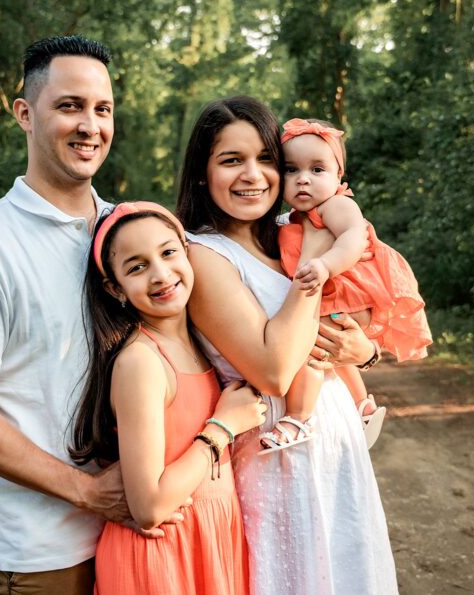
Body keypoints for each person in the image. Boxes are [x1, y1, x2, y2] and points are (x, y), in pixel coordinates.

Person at [0, 36, 179, 594]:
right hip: (44, 550)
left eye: (103, 109)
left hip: (144, 538)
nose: (91, 125)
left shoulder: (130, 235)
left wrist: (354, 344)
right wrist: (88, 492)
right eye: (70, 106)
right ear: (25, 114)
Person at [177, 96, 399, 594]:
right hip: (279, 461)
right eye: (231, 160)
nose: (253, 175)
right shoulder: (204, 255)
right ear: (201, 174)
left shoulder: (287, 236)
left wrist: (364, 352)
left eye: (265, 160)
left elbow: (344, 323)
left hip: (337, 448)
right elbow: (275, 369)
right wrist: (320, 253)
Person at [69, 201, 265, 594]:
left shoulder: (202, 342)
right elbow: (149, 506)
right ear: (115, 288)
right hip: (162, 557)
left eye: (168, 252)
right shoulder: (141, 362)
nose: (160, 274)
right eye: (137, 267)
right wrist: (223, 427)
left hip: (212, 537)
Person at [263, 117, 433, 452]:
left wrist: (325, 265)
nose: (303, 180)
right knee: (332, 352)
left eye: (317, 170)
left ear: (339, 176)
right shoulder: (294, 219)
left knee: (313, 349)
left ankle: (299, 418)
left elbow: (354, 239)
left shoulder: (336, 205)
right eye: (291, 170)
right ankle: (362, 405)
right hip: (335, 291)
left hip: (348, 289)